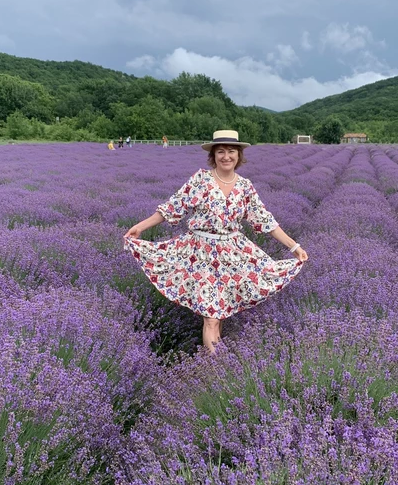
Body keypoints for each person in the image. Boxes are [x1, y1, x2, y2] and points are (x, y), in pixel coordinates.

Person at [123, 129, 308, 353]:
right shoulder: (201, 180)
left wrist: (294, 246)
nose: (226, 156)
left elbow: (265, 220)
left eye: (231, 151)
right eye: (220, 151)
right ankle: (217, 367)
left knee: (218, 315)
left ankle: (217, 363)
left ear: (239, 155)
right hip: (200, 254)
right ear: (213, 155)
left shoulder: (245, 187)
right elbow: (173, 207)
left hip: (232, 254)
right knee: (211, 317)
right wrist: (140, 227)